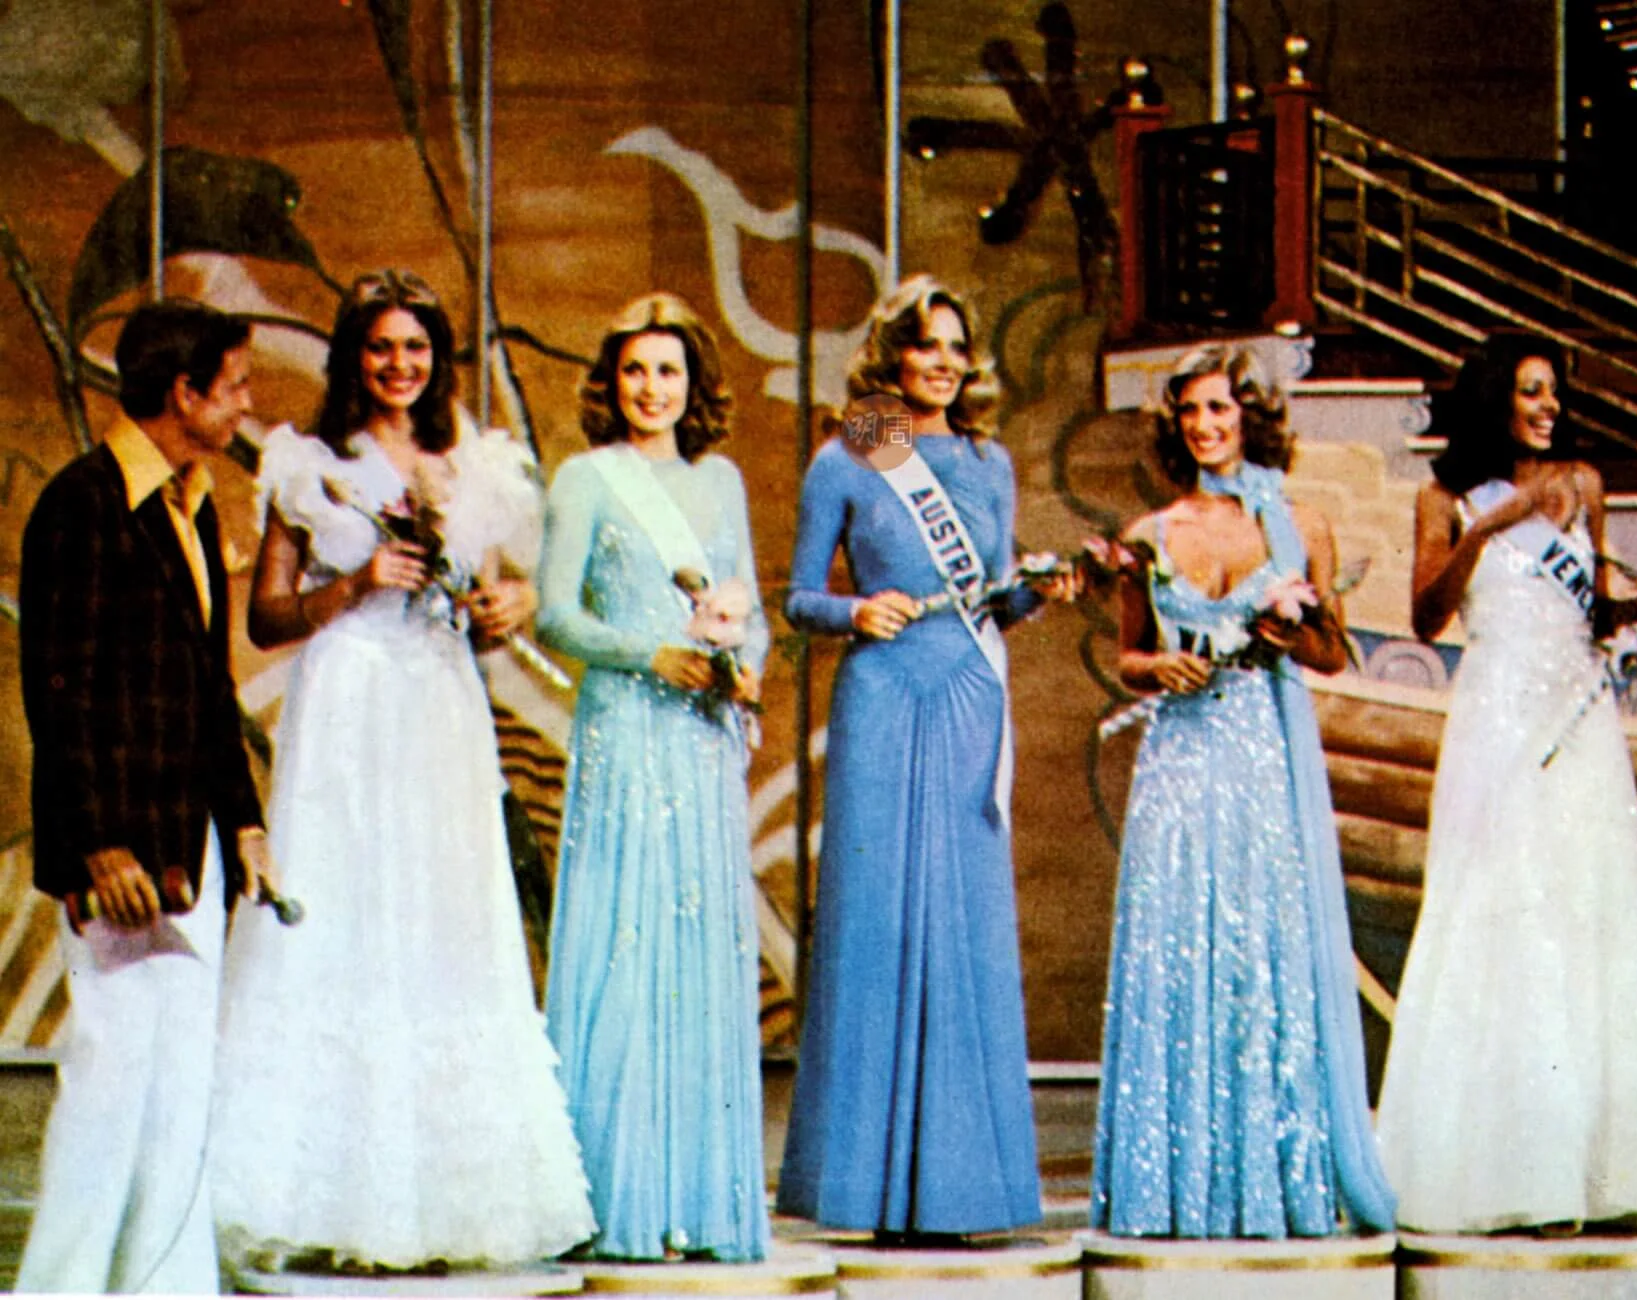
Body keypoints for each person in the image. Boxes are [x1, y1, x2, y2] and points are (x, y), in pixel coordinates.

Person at [210, 269, 594, 1270]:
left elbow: (492, 602)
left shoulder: (475, 466)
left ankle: (442, 1208)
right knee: (346, 913)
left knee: (443, 919)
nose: (399, 364)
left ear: (438, 358)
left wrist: (497, 612)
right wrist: (354, 583)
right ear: (353, 357)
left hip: (438, 708)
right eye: (380, 347)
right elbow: (266, 618)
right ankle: (328, 1204)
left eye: (416, 347)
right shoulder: (309, 464)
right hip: (348, 705)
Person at [1374, 333, 1637, 1233]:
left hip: (1576, 723)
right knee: (1501, 913)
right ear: (1494, 396)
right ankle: (1504, 1173)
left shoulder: (1584, 483)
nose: (1548, 407)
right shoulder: (1446, 498)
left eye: (1553, 392)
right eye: (1531, 391)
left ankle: (1599, 1173)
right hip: (1496, 718)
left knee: (1587, 913)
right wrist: (1491, 526)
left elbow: (1595, 610)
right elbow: (1425, 616)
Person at [776, 275, 1073, 1242]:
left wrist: (1041, 590)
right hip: (883, 694)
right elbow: (798, 598)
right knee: (878, 920)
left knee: (964, 924)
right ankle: (864, 1191)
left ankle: (960, 1190)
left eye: (955, 347)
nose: (942, 363)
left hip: (969, 693)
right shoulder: (852, 453)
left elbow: (997, 601)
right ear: (891, 355)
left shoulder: (989, 461)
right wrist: (854, 610)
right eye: (923, 345)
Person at [1088, 344, 1395, 1240]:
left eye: (1219, 408)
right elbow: (1128, 656)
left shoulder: (1301, 525)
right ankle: (1172, 1190)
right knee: (1176, 946)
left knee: (1261, 952)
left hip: (1263, 763)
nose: (1204, 426)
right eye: (1189, 411)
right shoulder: (1149, 534)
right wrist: (1160, 668)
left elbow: (1331, 654)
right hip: (1180, 763)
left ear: (1251, 417)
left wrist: (1286, 633)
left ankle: (1268, 1184)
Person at [16, 299, 271, 1293]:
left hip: (189, 844)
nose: (247, 404)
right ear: (185, 392)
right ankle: (62, 1287)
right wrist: (99, 845)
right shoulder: (83, 504)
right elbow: (60, 691)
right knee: (111, 1082)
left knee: (178, 1086)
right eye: (235, 386)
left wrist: (244, 821)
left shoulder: (192, 503)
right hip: (120, 854)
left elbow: (210, 684)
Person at [537, 293, 770, 1263]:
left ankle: (698, 1204)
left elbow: (750, 607)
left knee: (696, 945)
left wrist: (744, 663)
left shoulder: (722, 481)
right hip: (627, 729)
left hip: (702, 737)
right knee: (624, 940)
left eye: (668, 370)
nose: (651, 388)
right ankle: (617, 1197)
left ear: (694, 384)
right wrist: (648, 653)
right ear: (611, 382)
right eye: (635, 370)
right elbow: (554, 616)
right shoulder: (585, 478)